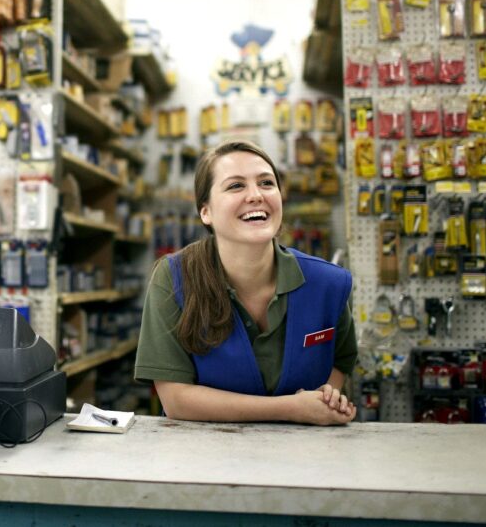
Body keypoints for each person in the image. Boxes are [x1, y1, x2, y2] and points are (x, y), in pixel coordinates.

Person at [135, 141, 357, 425]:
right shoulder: (175, 278)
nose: (255, 195)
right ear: (206, 212)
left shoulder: (328, 284)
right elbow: (176, 399)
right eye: (235, 186)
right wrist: (292, 409)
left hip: (306, 458)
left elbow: (342, 358)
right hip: (202, 459)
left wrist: (329, 395)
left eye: (266, 183)